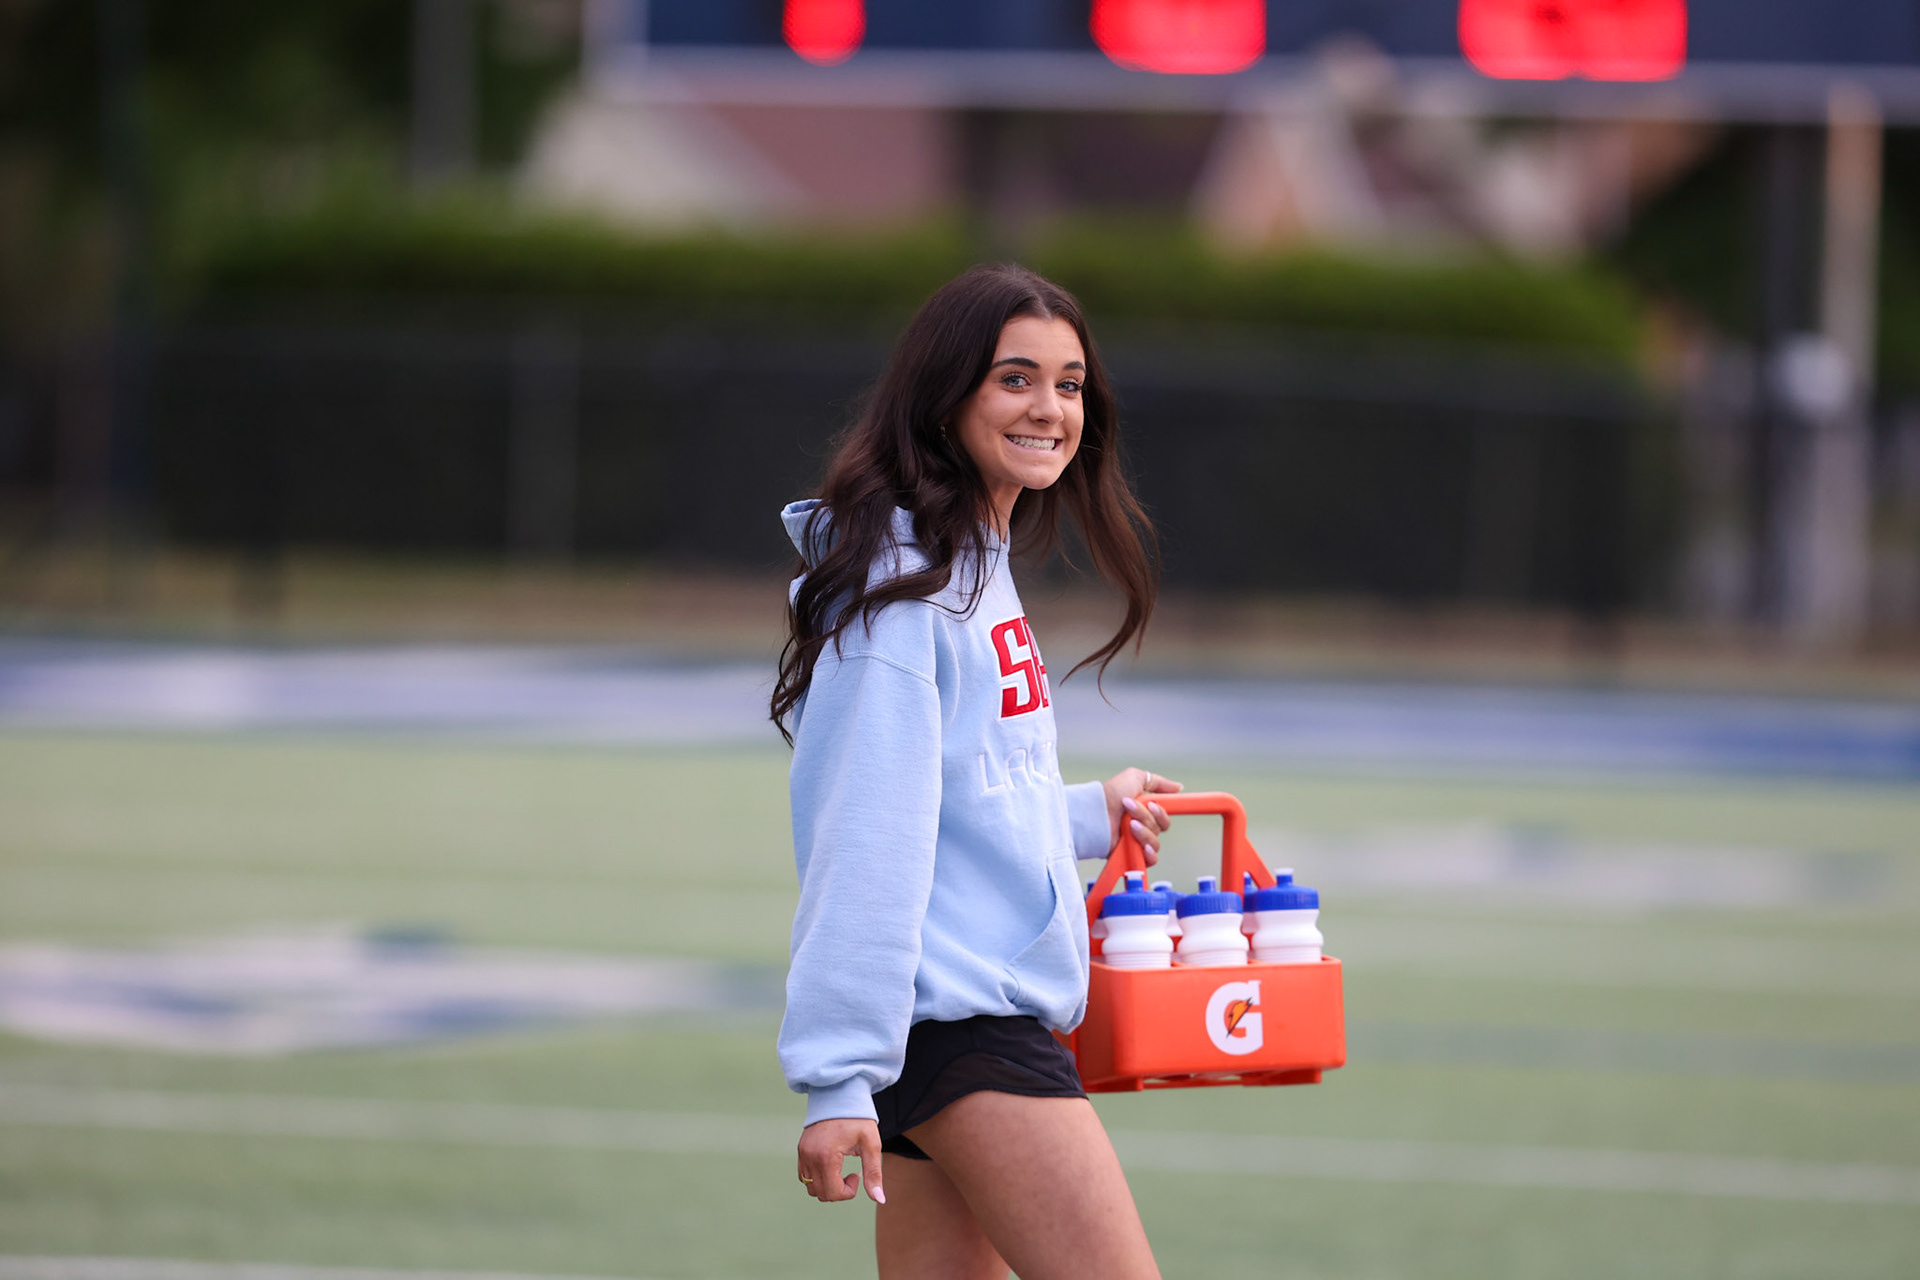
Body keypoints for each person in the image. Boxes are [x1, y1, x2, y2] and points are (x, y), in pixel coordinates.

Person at [771, 264, 1181, 1280]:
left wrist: (1092, 811)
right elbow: (866, 837)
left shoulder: (967, 567)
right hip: (966, 1031)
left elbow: (959, 788)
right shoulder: (906, 605)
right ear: (946, 397)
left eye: (1071, 382)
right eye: (1015, 378)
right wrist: (835, 1080)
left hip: (946, 1031)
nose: (1050, 407)